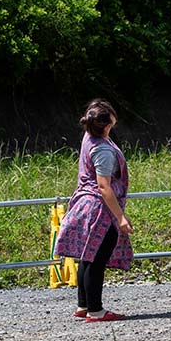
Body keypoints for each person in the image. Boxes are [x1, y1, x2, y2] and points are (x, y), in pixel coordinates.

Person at [54, 98, 133, 322]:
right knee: (97, 260)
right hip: (99, 209)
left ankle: (83, 305)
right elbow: (104, 186)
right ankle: (96, 311)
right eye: (111, 124)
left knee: (87, 257)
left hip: (83, 205)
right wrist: (121, 217)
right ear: (106, 125)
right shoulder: (103, 151)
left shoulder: (88, 137)